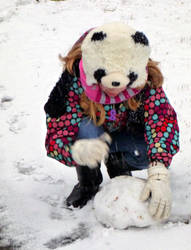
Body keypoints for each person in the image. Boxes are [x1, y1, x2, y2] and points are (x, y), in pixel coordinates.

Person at [44, 22, 179, 220]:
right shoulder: (72, 80)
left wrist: (159, 170)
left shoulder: (145, 79)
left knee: (145, 153)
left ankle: (118, 163)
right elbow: (57, 134)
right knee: (86, 129)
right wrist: (75, 152)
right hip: (93, 137)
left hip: (125, 134)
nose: (115, 90)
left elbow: (162, 122)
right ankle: (88, 180)